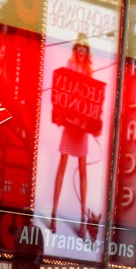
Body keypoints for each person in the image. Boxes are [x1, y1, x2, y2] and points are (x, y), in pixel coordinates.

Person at [51, 34, 97, 237]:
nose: (80, 52)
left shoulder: (89, 72)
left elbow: (93, 100)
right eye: (78, 48)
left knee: (82, 169)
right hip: (70, 124)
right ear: (75, 49)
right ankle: (53, 214)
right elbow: (63, 90)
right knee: (62, 165)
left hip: (82, 127)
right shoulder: (69, 66)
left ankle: (82, 219)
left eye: (84, 49)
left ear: (87, 52)